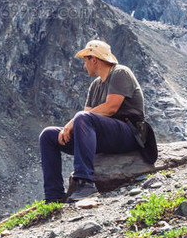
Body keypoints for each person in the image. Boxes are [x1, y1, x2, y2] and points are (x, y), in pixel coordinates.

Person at [38, 39, 145, 203]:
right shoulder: (95, 85)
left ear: (93, 59)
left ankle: (85, 184)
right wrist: (69, 127)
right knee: (48, 135)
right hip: (105, 136)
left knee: (81, 117)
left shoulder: (121, 73)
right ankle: (53, 195)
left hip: (129, 133)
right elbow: (86, 118)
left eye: (85, 61)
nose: (84, 66)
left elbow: (111, 108)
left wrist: (74, 121)